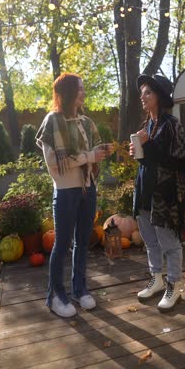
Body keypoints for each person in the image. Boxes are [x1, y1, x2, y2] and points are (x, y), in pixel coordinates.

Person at [36, 72, 113, 318]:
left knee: (83, 241)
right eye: (79, 89)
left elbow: (90, 153)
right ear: (67, 92)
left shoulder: (87, 123)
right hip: (66, 191)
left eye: (83, 88)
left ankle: (80, 290)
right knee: (61, 244)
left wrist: (101, 151)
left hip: (88, 188)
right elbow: (54, 162)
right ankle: (55, 296)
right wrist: (89, 156)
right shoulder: (52, 121)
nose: (83, 92)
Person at [130, 74, 185, 312]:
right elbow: (149, 160)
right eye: (142, 93)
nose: (143, 97)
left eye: (148, 92)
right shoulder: (147, 126)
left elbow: (182, 161)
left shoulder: (171, 125)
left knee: (169, 243)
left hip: (165, 195)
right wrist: (137, 151)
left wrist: (147, 146)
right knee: (150, 241)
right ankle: (156, 279)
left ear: (159, 97)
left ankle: (174, 285)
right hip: (146, 191)